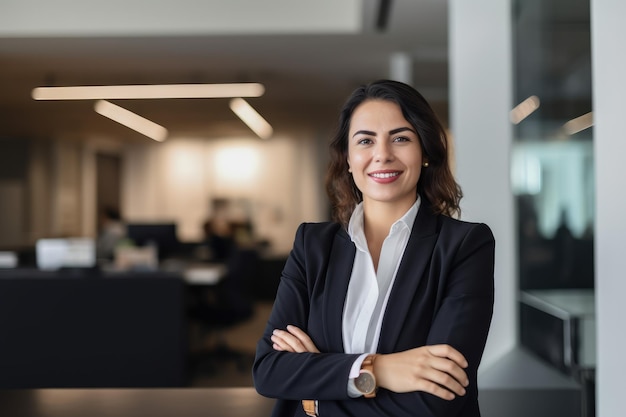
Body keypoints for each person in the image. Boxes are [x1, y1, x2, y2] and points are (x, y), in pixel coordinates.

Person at [252, 80, 495, 417]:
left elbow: (437, 400)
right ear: (348, 159)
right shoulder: (312, 245)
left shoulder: (464, 246)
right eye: (365, 140)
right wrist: (378, 370)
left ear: (424, 152)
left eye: (401, 138)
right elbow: (269, 370)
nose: (382, 154)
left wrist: (315, 399)